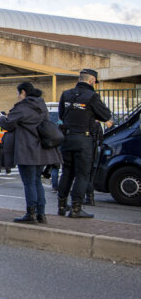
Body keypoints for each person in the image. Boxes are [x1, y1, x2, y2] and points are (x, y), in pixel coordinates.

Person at [0, 82, 62, 224]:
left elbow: (8, 124)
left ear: (23, 92)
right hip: (42, 149)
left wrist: (2, 118)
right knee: (37, 181)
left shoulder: (22, 107)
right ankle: (41, 213)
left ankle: (31, 213)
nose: (17, 96)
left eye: (18, 93)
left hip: (27, 150)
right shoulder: (41, 105)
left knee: (29, 183)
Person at [56, 69, 112, 218]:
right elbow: (106, 115)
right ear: (92, 80)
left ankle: (61, 206)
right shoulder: (92, 96)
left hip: (67, 138)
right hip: (83, 139)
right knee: (82, 174)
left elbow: (61, 114)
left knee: (67, 172)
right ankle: (76, 208)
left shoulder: (66, 94)